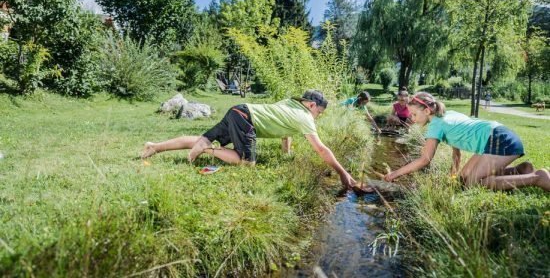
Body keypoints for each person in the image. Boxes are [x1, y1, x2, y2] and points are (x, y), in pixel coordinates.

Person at [142, 89, 357, 189]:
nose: (317, 116)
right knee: (246, 163)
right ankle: (206, 149)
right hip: (246, 119)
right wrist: (343, 173)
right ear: (311, 106)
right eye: (319, 112)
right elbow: (321, 150)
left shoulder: (291, 104)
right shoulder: (305, 117)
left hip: (239, 110)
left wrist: (287, 154)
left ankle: (154, 147)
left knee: (200, 138)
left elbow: (285, 131)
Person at [384, 92, 550, 191]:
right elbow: (456, 151)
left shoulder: (435, 125)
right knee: (463, 179)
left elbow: (425, 159)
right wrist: (454, 173)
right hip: (496, 137)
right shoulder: (446, 115)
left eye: (413, 114)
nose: (411, 118)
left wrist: (394, 174)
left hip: (499, 140)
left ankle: (536, 178)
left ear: (427, 110)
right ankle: (521, 170)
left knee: (473, 183)